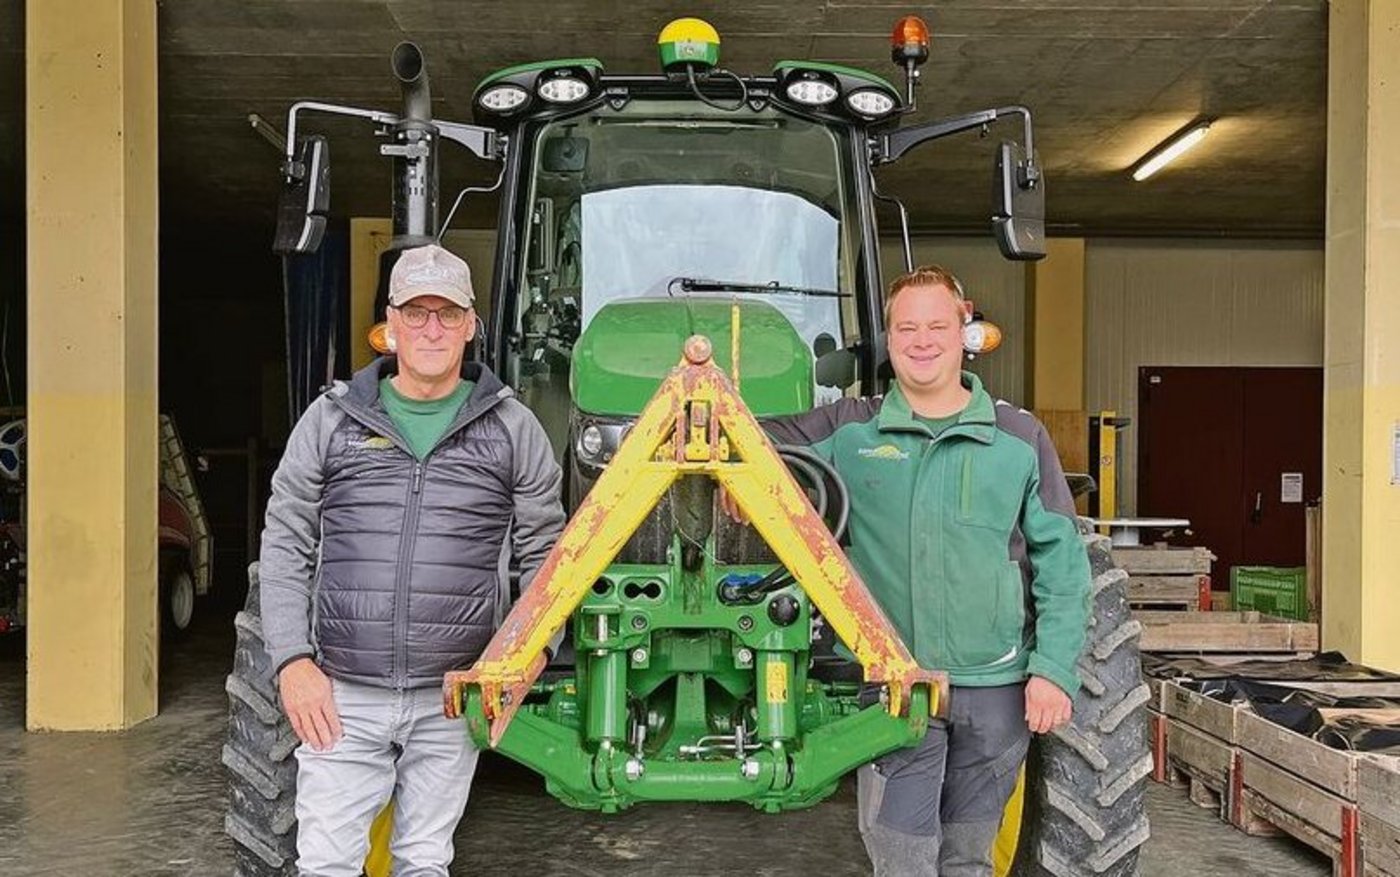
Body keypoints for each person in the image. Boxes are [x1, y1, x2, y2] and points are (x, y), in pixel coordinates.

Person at [740, 265, 1090, 876]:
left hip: (997, 694)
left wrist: (1054, 671)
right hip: (898, 690)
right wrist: (734, 474)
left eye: (936, 325)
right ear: (889, 338)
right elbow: (748, 439)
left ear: (964, 329)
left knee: (968, 860)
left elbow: (1062, 563)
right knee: (902, 862)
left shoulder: (1019, 438)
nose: (921, 340)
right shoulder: (849, 430)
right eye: (907, 328)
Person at [258, 243, 566, 876]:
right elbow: (286, 538)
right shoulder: (332, 419)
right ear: (389, 326)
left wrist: (526, 656)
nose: (432, 329)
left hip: (451, 697)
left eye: (448, 314)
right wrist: (291, 661)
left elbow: (547, 555)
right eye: (417, 312)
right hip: (342, 692)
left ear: (471, 327)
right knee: (325, 864)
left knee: (425, 860)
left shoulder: (513, 428)